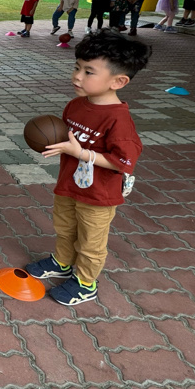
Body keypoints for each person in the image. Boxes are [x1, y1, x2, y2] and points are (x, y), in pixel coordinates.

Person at [24, 30, 151, 306]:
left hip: (99, 196)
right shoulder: (75, 106)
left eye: (88, 72)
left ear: (118, 81)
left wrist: (81, 153)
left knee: (91, 241)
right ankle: (62, 262)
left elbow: (124, 162)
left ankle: (85, 283)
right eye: (77, 67)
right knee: (65, 227)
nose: (77, 77)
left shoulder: (119, 121)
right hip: (69, 185)